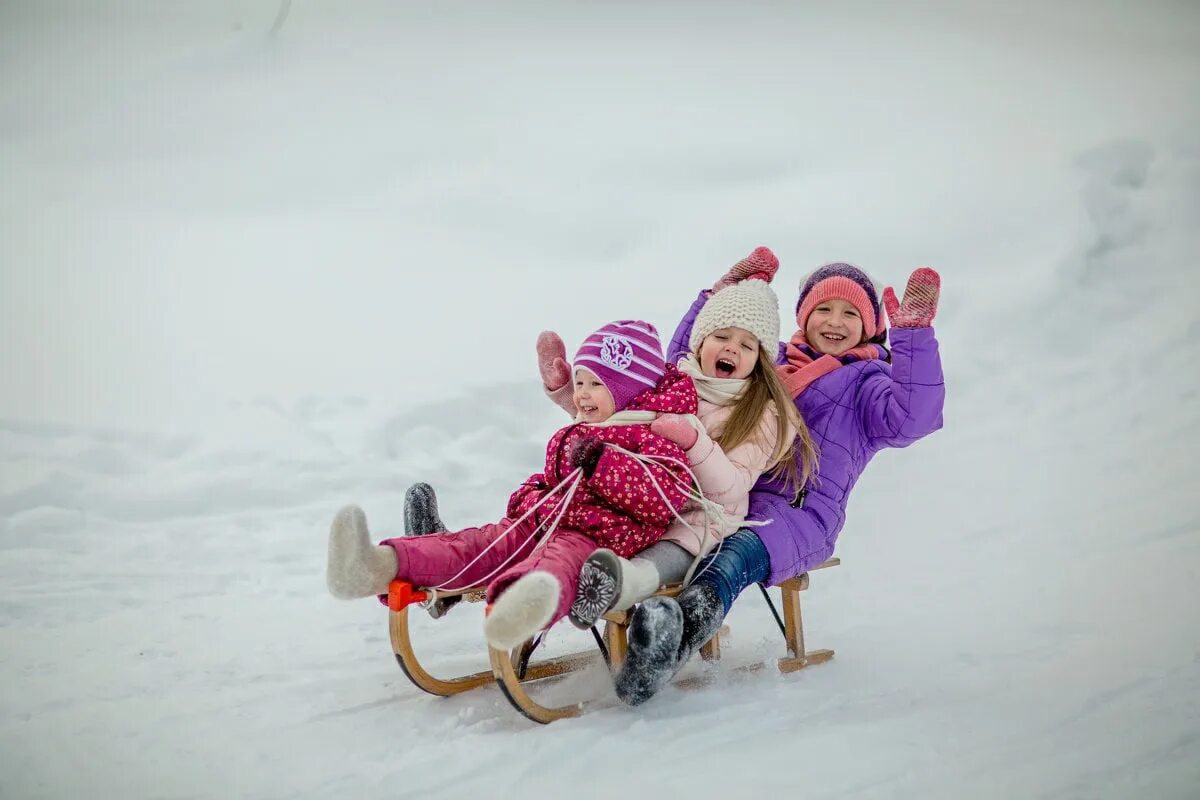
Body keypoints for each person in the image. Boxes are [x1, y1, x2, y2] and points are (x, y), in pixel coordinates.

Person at [614, 261, 945, 704]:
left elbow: (913, 418)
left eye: (851, 314)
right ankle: (616, 600)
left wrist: (913, 338)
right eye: (824, 308)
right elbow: (689, 373)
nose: (834, 321)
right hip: (724, 491)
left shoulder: (869, 384)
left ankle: (675, 633)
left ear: (869, 327)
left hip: (797, 514)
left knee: (735, 553)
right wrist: (719, 298)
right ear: (803, 314)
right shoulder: (771, 361)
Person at [325, 320, 697, 650]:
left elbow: (659, 500)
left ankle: (521, 608)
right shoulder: (586, 427)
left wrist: (601, 462)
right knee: (473, 545)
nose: (580, 393)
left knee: (558, 565)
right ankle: (374, 566)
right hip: (541, 521)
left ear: (630, 389)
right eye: (580, 381)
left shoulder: (657, 437)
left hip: (595, 537)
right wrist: (532, 493)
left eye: (596, 384)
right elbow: (556, 479)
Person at [536, 248, 820, 629]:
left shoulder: (762, 413)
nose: (732, 348)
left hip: (700, 520)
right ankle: (474, 565)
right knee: (564, 517)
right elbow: (616, 417)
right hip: (640, 503)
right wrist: (566, 394)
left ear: (758, 360)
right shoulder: (670, 384)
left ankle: (619, 586)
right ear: (701, 342)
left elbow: (734, 488)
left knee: (668, 552)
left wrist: (694, 441)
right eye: (721, 336)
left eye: (748, 345)